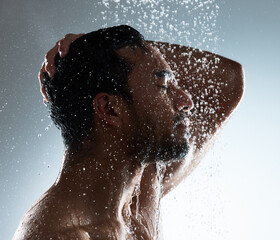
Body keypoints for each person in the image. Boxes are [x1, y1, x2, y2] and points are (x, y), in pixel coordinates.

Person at [13, 25, 244, 240]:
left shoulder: (140, 191)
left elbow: (227, 79)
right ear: (110, 109)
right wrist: (96, 55)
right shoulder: (56, 234)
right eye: (163, 86)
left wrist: (91, 49)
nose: (186, 101)